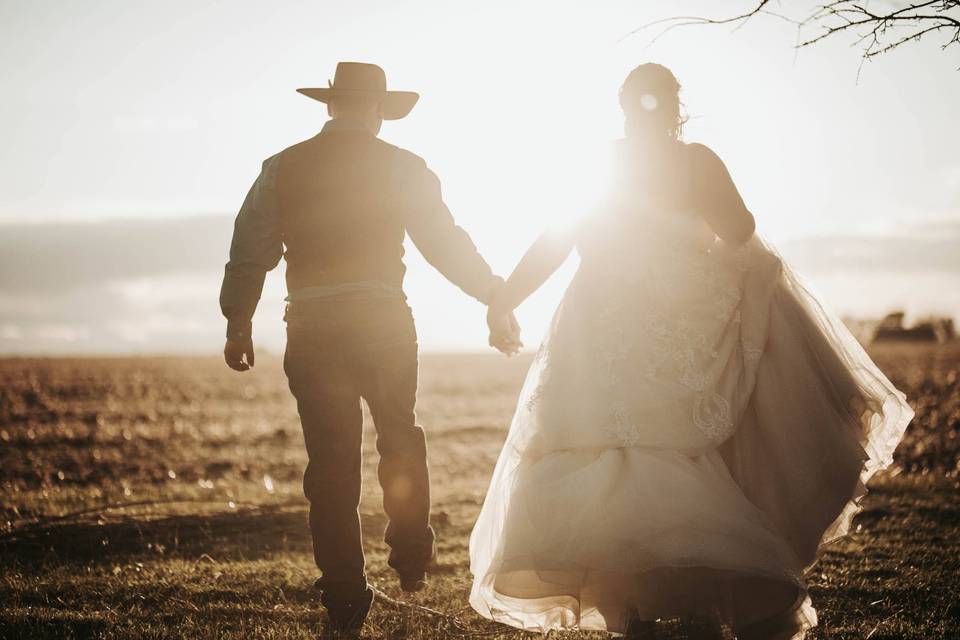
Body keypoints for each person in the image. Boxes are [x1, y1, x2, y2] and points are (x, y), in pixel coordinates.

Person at [472, 63, 913, 639]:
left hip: (598, 325)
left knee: (604, 450)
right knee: (678, 449)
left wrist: (504, 298)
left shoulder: (600, 163)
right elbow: (739, 231)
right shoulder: (695, 162)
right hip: (678, 322)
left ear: (625, 105)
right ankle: (697, 602)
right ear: (675, 106)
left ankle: (632, 607)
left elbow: (554, 241)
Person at [219, 61, 520, 635]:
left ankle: (344, 594)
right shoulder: (405, 168)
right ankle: (410, 547)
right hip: (383, 322)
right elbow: (443, 243)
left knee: (330, 465)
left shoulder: (282, 168)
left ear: (331, 106)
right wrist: (493, 293)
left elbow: (249, 246)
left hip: (313, 325)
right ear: (379, 109)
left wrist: (238, 320)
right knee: (400, 433)